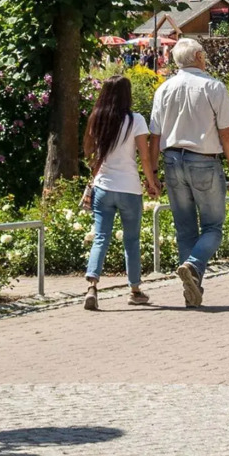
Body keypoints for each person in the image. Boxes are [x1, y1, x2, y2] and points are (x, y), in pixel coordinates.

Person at [149, 37, 229, 308]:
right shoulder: (214, 87)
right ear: (199, 57)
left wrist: (152, 173)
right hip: (204, 161)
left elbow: (155, 136)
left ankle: (192, 288)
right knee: (213, 227)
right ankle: (192, 264)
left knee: (185, 229)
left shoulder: (164, 89)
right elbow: (227, 133)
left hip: (171, 160)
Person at [79, 76, 159, 310]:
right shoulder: (136, 120)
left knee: (101, 237)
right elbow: (144, 156)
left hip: (103, 187)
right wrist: (151, 182)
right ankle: (134, 290)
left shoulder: (97, 118)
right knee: (131, 240)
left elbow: (91, 154)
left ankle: (92, 287)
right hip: (129, 188)